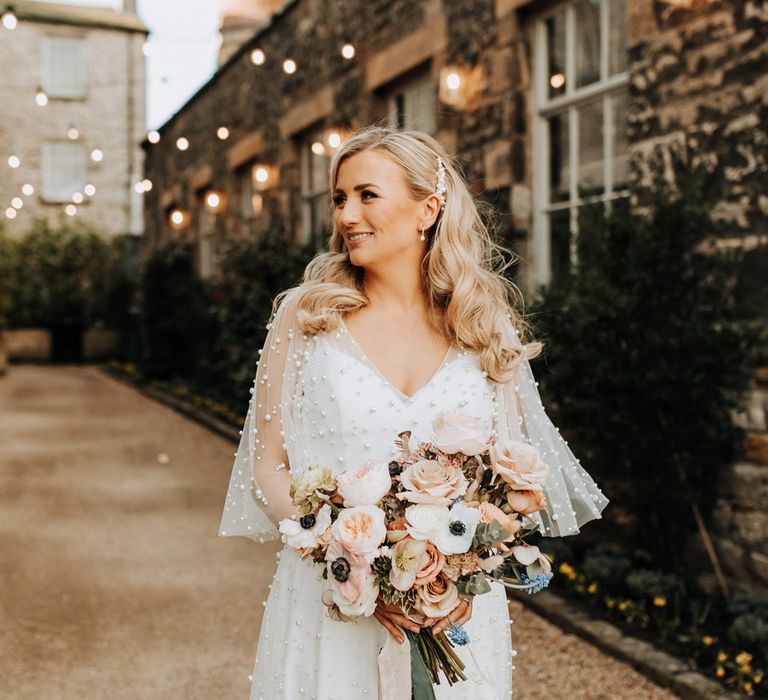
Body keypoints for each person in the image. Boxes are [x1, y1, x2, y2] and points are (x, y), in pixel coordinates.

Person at [219, 126, 608, 699]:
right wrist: (354, 566)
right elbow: (268, 465)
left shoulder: (482, 324)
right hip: (332, 600)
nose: (347, 214)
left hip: (452, 611)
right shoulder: (307, 319)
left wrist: (462, 561)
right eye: (339, 198)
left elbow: (514, 472)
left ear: (427, 209)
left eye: (366, 195)